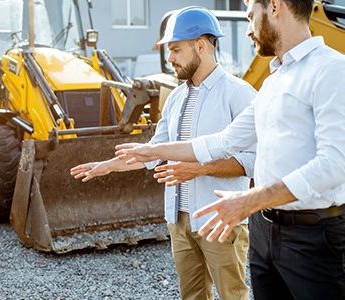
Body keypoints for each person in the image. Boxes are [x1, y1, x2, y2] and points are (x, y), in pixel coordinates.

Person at [114, 0, 345, 299]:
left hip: (314, 235)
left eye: (250, 17)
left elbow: (335, 163)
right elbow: (223, 141)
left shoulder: (331, 70)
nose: (248, 31)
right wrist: (151, 152)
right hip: (265, 231)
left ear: (274, 7)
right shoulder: (274, 82)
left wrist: (250, 199)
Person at [71, 7, 257, 300]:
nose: (169, 58)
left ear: (201, 45)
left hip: (220, 220)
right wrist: (107, 166)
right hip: (179, 220)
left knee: (233, 295)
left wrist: (200, 169)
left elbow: (252, 162)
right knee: (191, 296)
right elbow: (154, 152)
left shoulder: (239, 94)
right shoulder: (176, 98)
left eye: (175, 50)